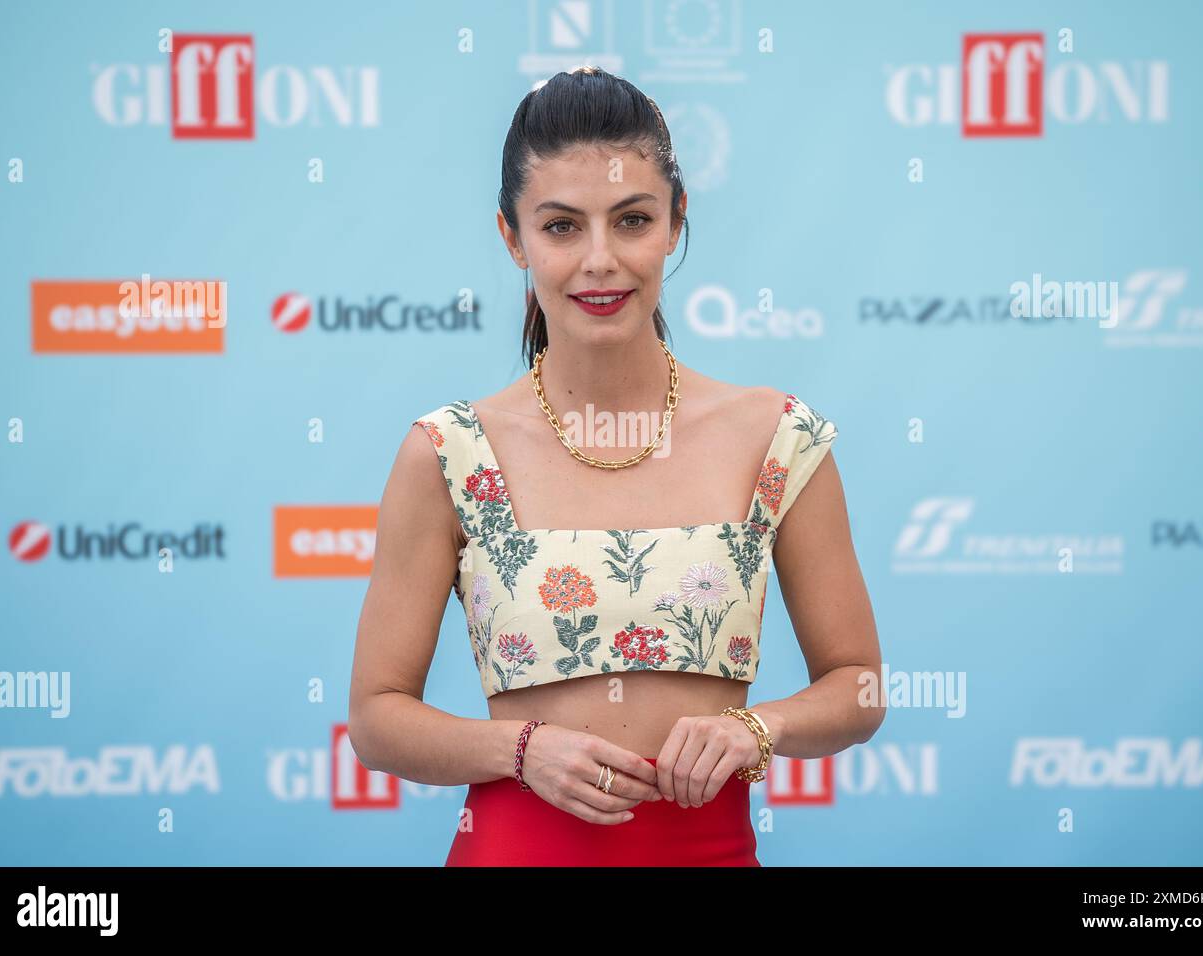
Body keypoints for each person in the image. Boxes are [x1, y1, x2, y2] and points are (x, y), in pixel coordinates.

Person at [348, 66, 883, 866]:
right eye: (562, 227)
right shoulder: (449, 453)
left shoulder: (777, 438)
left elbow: (858, 685)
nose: (600, 260)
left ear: (675, 223)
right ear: (511, 236)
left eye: (631, 220)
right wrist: (520, 750)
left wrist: (755, 730)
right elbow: (376, 717)